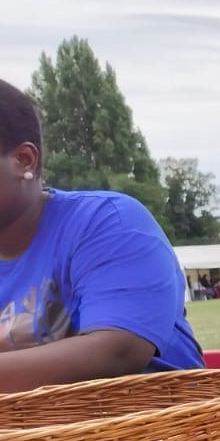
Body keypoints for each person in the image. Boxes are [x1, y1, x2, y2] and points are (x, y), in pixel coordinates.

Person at [0, 79, 203, 390]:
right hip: (41, 437)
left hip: (159, 429)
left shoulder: (107, 221)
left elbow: (117, 351)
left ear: (24, 160)